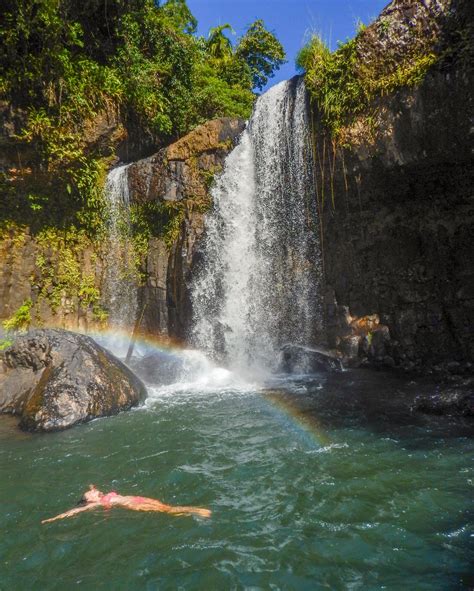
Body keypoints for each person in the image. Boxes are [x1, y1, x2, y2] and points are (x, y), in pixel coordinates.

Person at [41, 484, 211, 523]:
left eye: (93, 490)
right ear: (90, 500)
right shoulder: (96, 504)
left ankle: (192, 511)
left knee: (166, 507)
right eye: (91, 493)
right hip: (133, 504)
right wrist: (53, 518)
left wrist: (90, 487)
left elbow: (92, 486)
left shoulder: (101, 495)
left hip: (138, 498)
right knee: (166, 510)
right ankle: (196, 511)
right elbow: (74, 512)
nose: (94, 491)